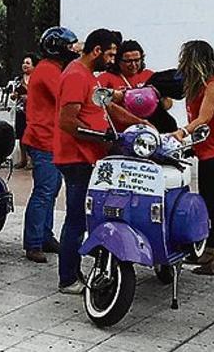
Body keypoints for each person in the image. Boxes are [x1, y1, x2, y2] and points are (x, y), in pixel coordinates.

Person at [54, 29, 145, 293]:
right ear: (96, 51)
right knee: (75, 219)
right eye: (110, 54)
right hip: (76, 159)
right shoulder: (74, 76)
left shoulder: (87, 76)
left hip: (89, 157)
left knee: (85, 216)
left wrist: (140, 123)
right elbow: (67, 122)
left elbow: (105, 106)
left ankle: (77, 268)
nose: (112, 60)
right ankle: (68, 278)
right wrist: (102, 137)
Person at [175, 41, 214, 276]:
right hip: (209, 152)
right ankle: (210, 250)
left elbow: (204, 118)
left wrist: (182, 132)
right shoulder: (198, 86)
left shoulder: (213, 85)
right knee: (207, 205)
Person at [21, 27, 78, 264]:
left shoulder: (52, 69)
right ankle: (33, 242)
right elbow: (66, 97)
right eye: (69, 47)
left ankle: (44, 235)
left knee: (51, 189)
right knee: (44, 191)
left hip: (51, 139)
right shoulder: (48, 70)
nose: (73, 51)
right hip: (43, 138)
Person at [12, 53, 39, 169]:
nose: (25, 65)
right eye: (24, 63)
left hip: (33, 110)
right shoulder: (18, 79)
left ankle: (31, 159)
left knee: (31, 135)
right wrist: (14, 96)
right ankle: (23, 159)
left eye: (28, 63)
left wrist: (30, 97)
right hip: (20, 110)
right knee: (21, 135)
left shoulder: (37, 78)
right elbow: (14, 93)